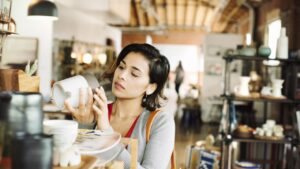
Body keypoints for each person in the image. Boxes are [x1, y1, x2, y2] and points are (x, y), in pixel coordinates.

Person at [64, 43, 175, 169]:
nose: (121, 75)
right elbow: (73, 161)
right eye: (121, 67)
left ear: (151, 87)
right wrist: (85, 124)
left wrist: (106, 132)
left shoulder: (161, 122)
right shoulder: (96, 111)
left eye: (134, 74)